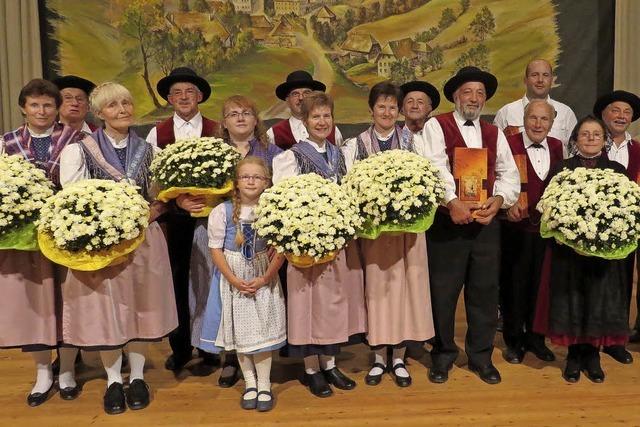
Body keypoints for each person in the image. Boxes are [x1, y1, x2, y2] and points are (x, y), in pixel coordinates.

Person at [58, 82, 178, 414]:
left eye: (126, 103)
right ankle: (113, 379)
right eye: (113, 106)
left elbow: (161, 197)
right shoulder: (80, 150)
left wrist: (151, 210)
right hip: (102, 246)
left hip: (144, 240)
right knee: (107, 311)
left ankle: (137, 377)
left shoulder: (151, 151)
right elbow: (72, 201)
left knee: (141, 307)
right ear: (99, 113)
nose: (122, 109)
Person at [416, 66, 520, 385]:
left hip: (486, 224)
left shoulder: (493, 132)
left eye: (479, 93)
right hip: (448, 226)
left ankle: (481, 356)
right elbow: (434, 168)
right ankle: (443, 354)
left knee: (485, 293)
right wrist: (452, 202)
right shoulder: (437, 125)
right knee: (443, 293)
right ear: (455, 96)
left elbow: (509, 173)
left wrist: (499, 201)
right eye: (467, 92)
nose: (474, 98)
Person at [272, 92, 366, 398]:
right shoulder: (291, 157)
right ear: (304, 121)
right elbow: (284, 202)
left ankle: (330, 363)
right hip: (306, 248)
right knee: (309, 306)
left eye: (327, 116)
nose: (322, 122)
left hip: (338, 244)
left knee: (334, 304)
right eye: (316, 117)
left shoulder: (341, 155)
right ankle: (311, 369)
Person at [342, 82, 434, 387]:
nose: (386, 112)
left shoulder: (413, 142)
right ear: (371, 110)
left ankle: (400, 357)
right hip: (374, 235)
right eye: (381, 107)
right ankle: (379, 357)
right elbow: (349, 187)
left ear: (399, 111)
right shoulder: (356, 145)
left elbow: (425, 182)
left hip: (407, 233)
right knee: (377, 292)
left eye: (392, 107)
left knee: (406, 291)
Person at [185, 95, 281, 385]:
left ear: (255, 119)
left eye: (246, 112)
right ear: (223, 122)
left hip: (262, 234)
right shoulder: (209, 152)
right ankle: (228, 357)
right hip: (217, 231)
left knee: (258, 296)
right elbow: (187, 190)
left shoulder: (273, 153)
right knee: (218, 293)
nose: (240, 118)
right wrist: (183, 202)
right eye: (233, 114)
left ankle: (261, 353)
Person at [533, 116, 630, 383]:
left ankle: (593, 355)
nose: (590, 138)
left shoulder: (617, 170)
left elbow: (627, 210)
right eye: (584, 134)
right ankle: (574, 356)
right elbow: (545, 207)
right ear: (575, 140)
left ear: (604, 139)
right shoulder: (562, 168)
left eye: (596, 134)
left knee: (598, 300)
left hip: (604, 255)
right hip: (568, 254)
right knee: (571, 300)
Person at [0, 78, 79, 406]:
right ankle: (43, 371)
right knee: (36, 305)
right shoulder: (6, 142)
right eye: (35, 105)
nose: (42, 111)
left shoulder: (76, 138)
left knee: (68, 301)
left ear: (57, 108)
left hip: (65, 233)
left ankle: (69, 370)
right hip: (25, 241)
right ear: (23, 108)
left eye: (48, 105)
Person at [146, 67, 220, 372]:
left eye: (189, 91)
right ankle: (181, 346)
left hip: (211, 215)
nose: (184, 97)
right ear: (168, 99)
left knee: (209, 279)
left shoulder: (217, 129)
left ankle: (210, 348)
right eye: (177, 92)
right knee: (177, 279)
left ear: (200, 96)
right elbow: (153, 179)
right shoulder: (157, 133)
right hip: (174, 219)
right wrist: (176, 198)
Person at [199, 157, 286, 412]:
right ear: (236, 182)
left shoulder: (275, 210)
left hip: (262, 275)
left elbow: (281, 249)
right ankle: (249, 382)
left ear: (266, 182)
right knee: (241, 335)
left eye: (257, 177)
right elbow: (215, 250)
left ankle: (265, 385)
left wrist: (266, 277)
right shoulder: (222, 212)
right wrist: (233, 279)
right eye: (245, 176)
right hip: (233, 278)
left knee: (261, 334)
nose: (250, 181)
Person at [499, 99, 563, 364]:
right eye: (533, 118)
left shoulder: (558, 146)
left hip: (546, 231)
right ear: (524, 119)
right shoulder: (508, 143)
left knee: (542, 286)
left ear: (551, 123)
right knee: (515, 285)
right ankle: (514, 340)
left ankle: (537, 338)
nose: (538, 124)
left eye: (544, 119)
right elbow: (496, 177)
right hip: (515, 228)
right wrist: (506, 204)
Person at [594, 89, 640, 353]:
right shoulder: (591, 144)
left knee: (621, 284)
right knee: (594, 281)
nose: (621, 116)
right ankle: (591, 337)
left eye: (627, 112)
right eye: (616, 110)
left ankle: (615, 340)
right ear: (604, 114)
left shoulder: (638, 150)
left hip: (626, 230)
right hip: (591, 228)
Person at [493, 59, 577, 156]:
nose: (540, 80)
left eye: (545, 75)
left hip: (557, 170)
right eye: (535, 75)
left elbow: (575, 152)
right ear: (525, 80)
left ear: (552, 80)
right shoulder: (506, 113)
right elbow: (495, 151)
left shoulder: (566, 113)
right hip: (516, 170)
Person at [267, 70, 343, 149]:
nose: (301, 98)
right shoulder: (273, 133)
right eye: (295, 94)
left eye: (306, 93)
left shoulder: (333, 131)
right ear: (287, 100)